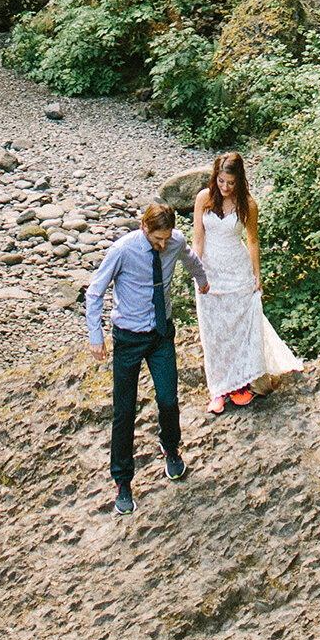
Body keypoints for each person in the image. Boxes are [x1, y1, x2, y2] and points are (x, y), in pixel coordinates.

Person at [86, 202, 209, 516]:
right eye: (158, 239)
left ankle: (170, 448)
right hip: (127, 338)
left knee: (168, 398)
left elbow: (190, 258)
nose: (163, 244)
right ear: (144, 228)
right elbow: (94, 292)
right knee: (124, 411)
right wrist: (96, 336)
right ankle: (123, 482)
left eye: (167, 238)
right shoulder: (123, 250)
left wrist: (202, 280)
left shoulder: (175, 242)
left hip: (160, 334)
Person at [192, 150, 301, 414]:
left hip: (238, 273)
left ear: (239, 181)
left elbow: (252, 240)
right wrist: (198, 272)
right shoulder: (204, 199)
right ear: (214, 178)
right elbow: (198, 239)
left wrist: (257, 276)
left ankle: (242, 384)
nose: (225, 187)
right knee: (215, 332)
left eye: (230, 183)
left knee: (239, 329)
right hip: (211, 273)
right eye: (221, 181)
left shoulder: (248, 204)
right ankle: (218, 389)